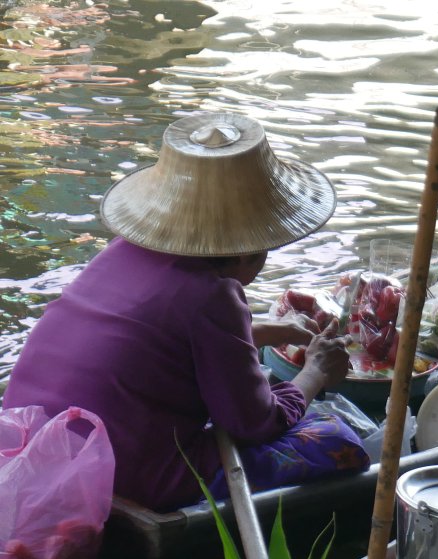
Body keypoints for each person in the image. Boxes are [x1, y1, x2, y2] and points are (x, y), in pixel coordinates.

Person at [3, 111, 368, 512]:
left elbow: (164, 339)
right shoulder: (212, 294)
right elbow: (254, 423)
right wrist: (314, 372)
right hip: (118, 474)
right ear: (252, 248)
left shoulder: (122, 253)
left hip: (33, 442)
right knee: (338, 440)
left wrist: (271, 330)